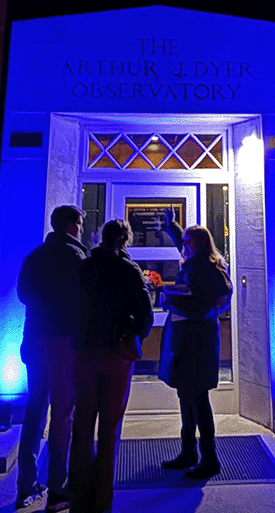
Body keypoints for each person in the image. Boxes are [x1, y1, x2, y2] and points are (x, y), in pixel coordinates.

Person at [69, 220, 153, 513]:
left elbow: (72, 305)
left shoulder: (84, 267)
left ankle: (79, 497)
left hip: (83, 350)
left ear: (101, 237)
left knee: (82, 424)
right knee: (109, 425)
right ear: (125, 240)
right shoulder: (129, 270)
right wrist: (136, 334)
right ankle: (103, 498)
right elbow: (146, 314)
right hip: (117, 351)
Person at [16, 205, 89, 511]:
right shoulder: (77, 259)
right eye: (81, 225)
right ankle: (58, 491)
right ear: (73, 225)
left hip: (35, 339)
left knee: (34, 410)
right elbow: (84, 301)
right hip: (63, 343)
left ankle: (26, 485)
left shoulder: (34, 256)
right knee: (62, 413)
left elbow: (22, 295)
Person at [157, 225, 233, 480]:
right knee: (186, 398)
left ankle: (209, 459)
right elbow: (202, 298)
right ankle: (189, 453)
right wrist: (172, 227)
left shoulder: (206, 268)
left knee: (198, 400)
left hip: (196, 344)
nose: (184, 245)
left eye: (189, 241)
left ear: (199, 244)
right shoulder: (198, 263)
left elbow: (204, 305)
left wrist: (171, 300)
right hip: (189, 341)